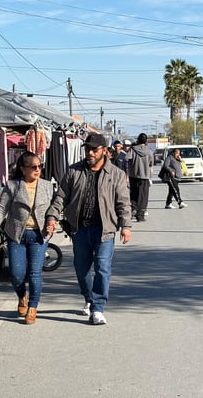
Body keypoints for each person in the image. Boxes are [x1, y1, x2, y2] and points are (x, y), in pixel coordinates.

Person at [45, 133, 131, 325]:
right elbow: (60, 197)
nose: (90, 152)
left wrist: (125, 225)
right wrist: (52, 216)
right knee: (81, 268)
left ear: (105, 151)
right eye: (87, 149)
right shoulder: (73, 171)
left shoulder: (116, 174)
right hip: (80, 229)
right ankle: (89, 298)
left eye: (94, 149)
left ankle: (98, 307)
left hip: (104, 229)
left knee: (102, 267)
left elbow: (123, 203)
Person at [0, 151, 55, 325]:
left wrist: (52, 221)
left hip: (39, 236)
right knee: (16, 274)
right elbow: (1, 209)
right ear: (23, 169)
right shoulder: (12, 186)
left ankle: (33, 307)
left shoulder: (47, 186)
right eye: (33, 167)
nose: (37, 169)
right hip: (16, 235)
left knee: (35, 273)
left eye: (40, 166)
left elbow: (53, 209)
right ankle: (22, 295)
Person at [125, 133, 152, 221]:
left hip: (134, 176)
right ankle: (140, 215)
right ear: (146, 140)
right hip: (145, 176)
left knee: (133, 195)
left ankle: (132, 211)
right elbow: (151, 163)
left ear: (138, 140)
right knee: (143, 197)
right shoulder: (149, 151)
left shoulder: (133, 149)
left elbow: (126, 158)